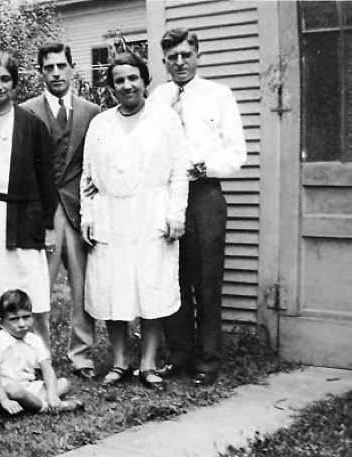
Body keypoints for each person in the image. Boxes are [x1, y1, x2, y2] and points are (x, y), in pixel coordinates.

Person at [80, 51, 188, 390]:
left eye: (132, 78)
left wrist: (176, 214)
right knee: (115, 288)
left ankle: (148, 363)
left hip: (152, 212)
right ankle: (120, 360)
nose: (127, 85)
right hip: (111, 214)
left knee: (150, 287)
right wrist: (87, 217)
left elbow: (178, 171)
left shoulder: (165, 120)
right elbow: (87, 177)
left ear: (144, 80)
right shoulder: (100, 123)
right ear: (112, 87)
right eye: (119, 80)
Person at [151, 28, 246, 386]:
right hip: (167, 197)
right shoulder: (158, 98)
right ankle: (179, 357)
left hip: (204, 194)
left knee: (206, 280)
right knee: (173, 278)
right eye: (172, 57)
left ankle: (207, 361)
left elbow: (237, 152)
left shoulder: (218, 96)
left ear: (198, 55)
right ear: (164, 61)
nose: (179, 63)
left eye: (185, 55)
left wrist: (203, 166)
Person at [20, 42, 100, 379]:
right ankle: (38, 355)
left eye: (61, 66)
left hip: (78, 207)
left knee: (82, 284)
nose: (55, 73)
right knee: (39, 287)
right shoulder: (26, 111)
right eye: (48, 67)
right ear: (41, 72)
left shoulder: (91, 111)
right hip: (41, 211)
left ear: (72, 68)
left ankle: (81, 354)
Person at [0, 52, 56, 349]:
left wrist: (48, 227)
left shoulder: (32, 125)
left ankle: (38, 353)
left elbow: (47, 181)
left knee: (30, 288)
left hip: (24, 217)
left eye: (5, 79)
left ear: (15, 83)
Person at [0, 289, 83, 415]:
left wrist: (52, 394)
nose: (22, 324)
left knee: (63, 383)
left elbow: (46, 368)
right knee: (14, 390)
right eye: (14, 319)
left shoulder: (34, 340)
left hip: (28, 387)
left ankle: (33, 403)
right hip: (2, 391)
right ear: (0, 323)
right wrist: (3, 400)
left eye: (26, 317)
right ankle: (46, 407)